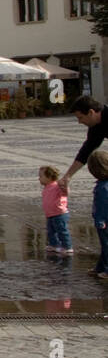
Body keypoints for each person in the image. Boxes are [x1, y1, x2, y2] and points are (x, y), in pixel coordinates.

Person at [57, 96, 108, 193]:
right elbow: (85, 152)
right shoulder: (96, 126)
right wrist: (68, 176)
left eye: (81, 117)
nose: (79, 122)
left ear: (91, 112)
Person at [39, 166, 73, 255]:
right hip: (50, 214)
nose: (39, 178)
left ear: (49, 177)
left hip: (60, 213)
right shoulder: (47, 187)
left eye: (41, 176)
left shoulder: (57, 186)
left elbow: (65, 193)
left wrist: (65, 186)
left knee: (62, 230)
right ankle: (54, 245)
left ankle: (67, 246)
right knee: (51, 231)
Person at [90, 151, 108, 279]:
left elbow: (102, 205)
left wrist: (100, 220)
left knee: (106, 246)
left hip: (104, 222)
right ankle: (100, 267)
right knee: (105, 246)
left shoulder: (102, 187)